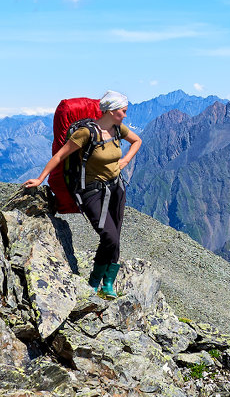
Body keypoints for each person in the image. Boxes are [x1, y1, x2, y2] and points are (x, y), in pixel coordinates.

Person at [24, 91, 142, 297]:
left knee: (115, 236)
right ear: (111, 111)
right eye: (123, 111)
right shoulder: (87, 133)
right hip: (91, 191)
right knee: (109, 236)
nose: (125, 115)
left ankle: (108, 284)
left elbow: (137, 141)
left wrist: (123, 162)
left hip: (116, 189)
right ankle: (94, 282)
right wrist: (40, 179)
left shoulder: (117, 129)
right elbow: (60, 155)